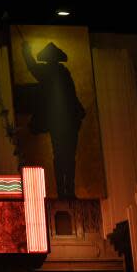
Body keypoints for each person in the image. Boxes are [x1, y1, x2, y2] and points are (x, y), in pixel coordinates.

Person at [20, 40, 86, 198]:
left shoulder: (48, 72)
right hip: (69, 121)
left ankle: (64, 190)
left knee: (61, 156)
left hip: (61, 122)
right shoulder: (63, 72)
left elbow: (32, 66)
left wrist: (26, 51)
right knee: (68, 156)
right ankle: (67, 190)